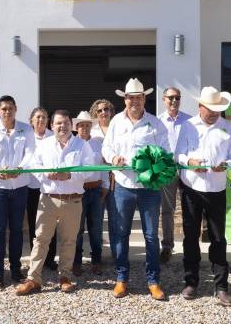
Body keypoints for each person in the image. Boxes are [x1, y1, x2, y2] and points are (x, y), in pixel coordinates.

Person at [102, 78, 170, 301]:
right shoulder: (115, 123)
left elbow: (166, 151)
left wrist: (153, 165)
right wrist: (113, 157)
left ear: (144, 99)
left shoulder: (155, 124)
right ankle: (122, 278)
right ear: (125, 99)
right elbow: (106, 146)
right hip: (123, 185)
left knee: (151, 236)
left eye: (138, 97)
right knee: (121, 233)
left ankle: (153, 281)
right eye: (130, 97)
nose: (134, 101)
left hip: (149, 188)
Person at [15, 110, 95, 296]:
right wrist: (46, 174)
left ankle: (64, 277)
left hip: (73, 200)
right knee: (41, 240)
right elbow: (34, 166)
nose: (62, 126)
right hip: (48, 199)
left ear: (71, 125)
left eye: (66, 122)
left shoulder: (82, 145)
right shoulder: (44, 145)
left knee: (69, 241)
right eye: (58, 123)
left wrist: (70, 175)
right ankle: (33, 278)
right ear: (52, 126)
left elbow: (90, 169)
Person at [174, 86, 231, 304]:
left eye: (217, 109)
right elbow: (178, 154)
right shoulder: (187, 126)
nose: (213, 113)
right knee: (191, 237)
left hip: (217, 189)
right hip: (191, 188)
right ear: (200, 107)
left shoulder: (229, 128)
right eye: (209, 109)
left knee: (218, 238)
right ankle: (191, 282)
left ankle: (221, 287)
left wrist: (226, 164)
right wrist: (190, 162)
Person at [0, 95, 36, 289]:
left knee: (17, 231)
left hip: (20, 187)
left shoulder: (26, 129)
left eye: (10, 108)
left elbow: (30, 153)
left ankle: (15, 270)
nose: (7, 111)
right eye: (3, 109)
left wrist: (19, 168)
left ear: (15, 108)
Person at [157, 86, 191, 264]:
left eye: (177, 97)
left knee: (190, 210)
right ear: (164, 99)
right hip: (167, 170)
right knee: (167, 210)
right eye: (170, 98)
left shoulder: (190, 121)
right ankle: (167, 246)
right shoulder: (157, 122)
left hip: (187, 170)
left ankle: (190, 246)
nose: (174, 101)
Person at [72, 110, 108, 276]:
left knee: (96, 228)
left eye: (87, 125)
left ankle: (96, 261)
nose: (85, 128)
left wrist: (105, 185)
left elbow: (103, 167)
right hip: (78, 190)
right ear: (77, 128)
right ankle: (77, 261)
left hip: (95, 190)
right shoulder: (72, 144)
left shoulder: (98, 144)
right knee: (77, 229)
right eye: (82, 126)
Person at [26, 107, 58, 270]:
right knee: (35, 224)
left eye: (44, 117)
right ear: (31, 120)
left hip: (51, 187)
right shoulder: (27, 137)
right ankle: (36, 259)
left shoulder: (54, 137)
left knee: (51, 224)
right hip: (32, 187)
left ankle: (50, 258)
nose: (41, 120)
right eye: (37, 117)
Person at [90, 98, 117, 257]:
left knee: (115, 219)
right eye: (99, 110)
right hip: (98, 180)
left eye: (106, 109)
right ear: (95, 113)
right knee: (97, 221)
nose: (103, 112)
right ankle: (97, 255)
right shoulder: (91, 131)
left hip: (116, 179)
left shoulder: (118, 127)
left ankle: (116, 253)